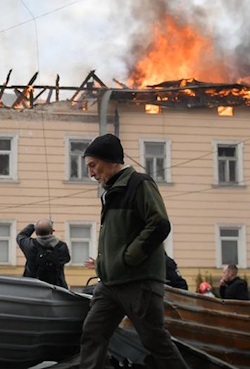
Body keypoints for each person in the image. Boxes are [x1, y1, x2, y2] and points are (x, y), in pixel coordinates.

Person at [79, 133, 190, 369]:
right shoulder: (111, 191)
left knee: (155, 341)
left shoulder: (139, 183)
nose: (90, 173)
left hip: (139, 282)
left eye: (93, 165)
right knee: (93, 333)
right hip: (110, 284)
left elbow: (160, 224)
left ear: (109, 160)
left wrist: (128, 259)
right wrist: (104, 266)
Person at [17, 218, 70, 288]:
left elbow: (20, 236)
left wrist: (33, 226)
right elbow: (67, 259)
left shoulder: (30, 246)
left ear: (36, 232)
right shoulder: (62, 247)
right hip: (56, 289)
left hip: (32, 288)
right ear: (52, 231)